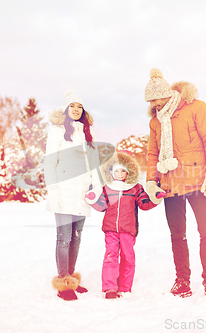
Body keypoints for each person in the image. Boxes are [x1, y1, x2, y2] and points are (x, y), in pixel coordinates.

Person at [143, 68, 206, 305]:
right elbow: (153, 153)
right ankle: (182, 281)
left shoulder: (196, 107)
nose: (155, 104)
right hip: (170, 185)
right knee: (177, 236)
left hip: (197, 181)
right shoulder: (155, 122)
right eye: (151, 100)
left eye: (158, 98)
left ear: (168, 94)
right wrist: (152, 181)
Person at [44, 90, 101, 301]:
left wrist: (96, 187)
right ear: (66, 109)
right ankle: (63, 282)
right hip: (63, 192)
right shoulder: (57, 132)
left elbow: (93, 166)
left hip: (82, 194)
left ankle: (71, 279)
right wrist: (53, 191)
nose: (76, 110)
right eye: (72, 106)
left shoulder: (86, 135)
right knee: (64, 238)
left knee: (76, 239)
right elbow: (50, 163)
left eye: (80, 107)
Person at [85, 151, 158, 299]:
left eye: (122, 171)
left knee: (128, 257)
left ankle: (125, 287)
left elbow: (144, 204)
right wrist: (92, 198)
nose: (119, 174)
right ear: (111, 172)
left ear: (128, 172)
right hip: (110, 229)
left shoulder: (135, 188)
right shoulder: (108, 188)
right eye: (116, 170)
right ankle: (110, 288)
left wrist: (155, 198)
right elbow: (101, 206)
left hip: (128, 230)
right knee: (111, 257)